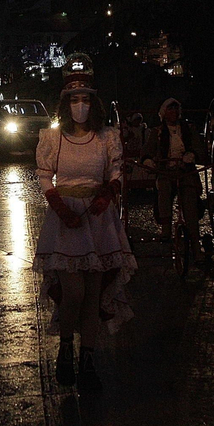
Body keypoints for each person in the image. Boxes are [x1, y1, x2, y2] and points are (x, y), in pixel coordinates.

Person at [32, 68, 135, 391]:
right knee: (73, 292)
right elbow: (44, 173)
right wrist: (58, 205)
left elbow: (116, 170)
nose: (80, 105)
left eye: (84, 99)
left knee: (93, 295)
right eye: (74, 100)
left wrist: (108, 192)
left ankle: (86, 359)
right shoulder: (53, 139)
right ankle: (65, 348)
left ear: (94, 103)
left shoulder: (107, 137)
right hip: (66, 221)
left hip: (98, 219)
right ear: (66, 104)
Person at [142, 98, 206, 267]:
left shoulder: (188, 130)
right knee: (163, 190)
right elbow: (147, 152)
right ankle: (166, 227)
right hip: (165, 171)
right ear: (164, 114)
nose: (174, 113)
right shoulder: (157, 132)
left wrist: (191, 154)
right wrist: (148, 161)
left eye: (176, 110)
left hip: (186, 172)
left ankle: (196, 247)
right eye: (170, 110)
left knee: (190, 206)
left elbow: (199, 149)